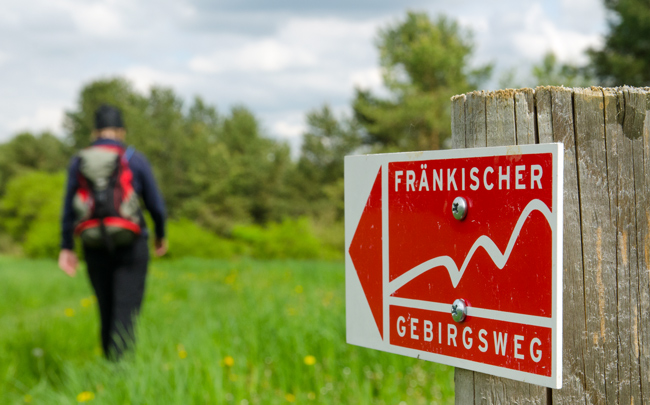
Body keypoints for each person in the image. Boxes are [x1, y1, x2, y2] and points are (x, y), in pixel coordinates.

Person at [58, 104, 167, 360]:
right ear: (122, 131)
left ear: (94, 133)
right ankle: (121, 377)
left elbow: (68, 209)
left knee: (106, 310)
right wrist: (161, 235)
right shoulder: (134, 158)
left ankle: (109, 369)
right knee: (125, 311)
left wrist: (66, 247)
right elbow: (156, 206)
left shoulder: (79, 160)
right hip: (132, 243)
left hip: (94, 243)